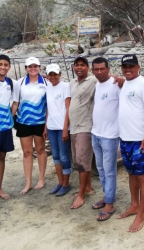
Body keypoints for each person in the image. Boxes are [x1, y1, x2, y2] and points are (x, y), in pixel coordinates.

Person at [117, 54, 144, 232]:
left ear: (138, 67)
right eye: (125, 66)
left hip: (140, 140)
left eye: (131, 66)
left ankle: (141, 214)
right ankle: (133, 205)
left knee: (142, 176)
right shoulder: (124, 83)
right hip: (125, 139)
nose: (128, 69)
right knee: (131, 174)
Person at [11, 57, 47, 195]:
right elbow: (15, 103)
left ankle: (41, 179)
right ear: (26, 68)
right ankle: (28, 183)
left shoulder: (45, 82)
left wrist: (47, 125)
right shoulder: (19, 83)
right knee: (27, 153)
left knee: (41, 150)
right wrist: (8, 119)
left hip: (40, 122)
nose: (33, 68)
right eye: (30, 66)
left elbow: (49, 105)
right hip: (23, 122)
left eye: (35, 66)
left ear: (39, 67)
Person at [91, 57, 120, 221]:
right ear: (93, 70)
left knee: (110, 171)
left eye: (103, 69)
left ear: (108, 69)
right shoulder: (96, 84)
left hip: (110, 136)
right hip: (96, 133)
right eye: (96, 69)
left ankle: (110, 203)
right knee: (101, 169)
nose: (100, 72)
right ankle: (106, 196)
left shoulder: (117, 84)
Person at [69, 56, 95, 209]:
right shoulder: (71, 83)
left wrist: (118, 79)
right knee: (80, 159)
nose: (79, 68)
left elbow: (105, 78)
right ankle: (88, 187)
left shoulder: (93, 81)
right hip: (74, 127)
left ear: (88, 67)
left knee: (82, 161)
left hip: (86, 127)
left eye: (82, 65)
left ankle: (81, 195)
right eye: (77, 65)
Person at [43, 63, 72, 196]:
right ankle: (60, 182)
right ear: (47, 76)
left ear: (60, 74)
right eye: (50, 74)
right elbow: (49, 108)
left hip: (62, 127)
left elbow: (68, 108)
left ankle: (66, 183)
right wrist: (46, 126)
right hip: (52, 126)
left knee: (64, 156)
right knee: (55, 156)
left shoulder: (65, 87)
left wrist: (65, 128)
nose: (53, 77)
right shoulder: (48, 88)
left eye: (55, 74)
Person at [0, 54, 15, 199]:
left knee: (2, 156)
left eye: (6, 64)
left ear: (9, 67)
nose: (3, 67)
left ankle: (0, 188)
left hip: (4, 127)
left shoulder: (10, 82)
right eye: (0, 64)